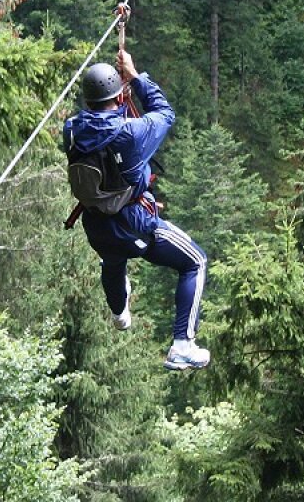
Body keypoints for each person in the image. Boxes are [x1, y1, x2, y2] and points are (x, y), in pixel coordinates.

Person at [62, 47, 210, 370]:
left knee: (113, 260)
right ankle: (182, 344)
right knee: (195, 261)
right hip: (133, 224)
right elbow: (164, 112)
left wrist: (119, 96)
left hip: (96, 227)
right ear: (118, 97)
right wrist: (135, 76)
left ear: (88, 100)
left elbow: (96, 127)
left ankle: (119, 313)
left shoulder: (71, 130)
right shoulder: (131, 134)